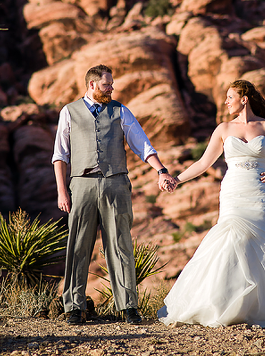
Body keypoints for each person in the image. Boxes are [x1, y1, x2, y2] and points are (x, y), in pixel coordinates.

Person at [157, 79, 265, 328]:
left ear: (244, 99)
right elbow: (204, 163)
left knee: (264, 244)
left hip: (262, 193)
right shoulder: (223, 129)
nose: (225, 102)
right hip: (234, 192)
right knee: (231, 241)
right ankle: (223, 305)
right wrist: (177, 179)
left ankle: (260, 309)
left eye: (229, 97)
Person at [53, 64, 176, 325]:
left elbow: (141, 144)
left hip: (116, 183)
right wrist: (62, 191)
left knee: (120, 244)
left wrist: (161, 170)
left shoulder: (121, 110)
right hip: (81, 184)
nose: (112, 88)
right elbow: (60, 155)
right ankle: (74, 306)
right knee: (78, 245)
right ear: (92, 85)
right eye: (107, 84)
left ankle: (128, 306)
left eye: (112, 84)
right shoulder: (69, 112)